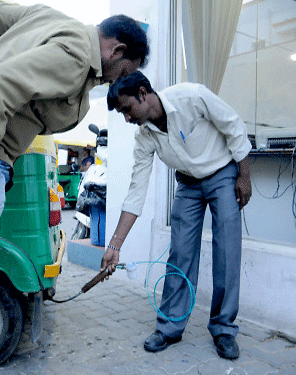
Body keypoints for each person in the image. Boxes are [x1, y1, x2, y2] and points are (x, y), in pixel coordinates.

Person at [0, 0, 149, 374]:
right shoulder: (77, 56)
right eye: (125, 70)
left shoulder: (51, 22)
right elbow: (1, 82)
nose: (118, 80)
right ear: (116, 50)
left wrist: (10, 48)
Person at [101, 71, 252, 360]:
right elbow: (136, 192)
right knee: (180, 252)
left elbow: (233, 125)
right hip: (188, 184)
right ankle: (170, 326)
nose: (127, 118)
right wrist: (114, 245)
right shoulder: (144, 136)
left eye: (127, 109)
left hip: (223, 173)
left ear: (143, 93)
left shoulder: (191, 96)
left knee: (227, 252)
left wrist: (244, 175)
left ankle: (223, 328)